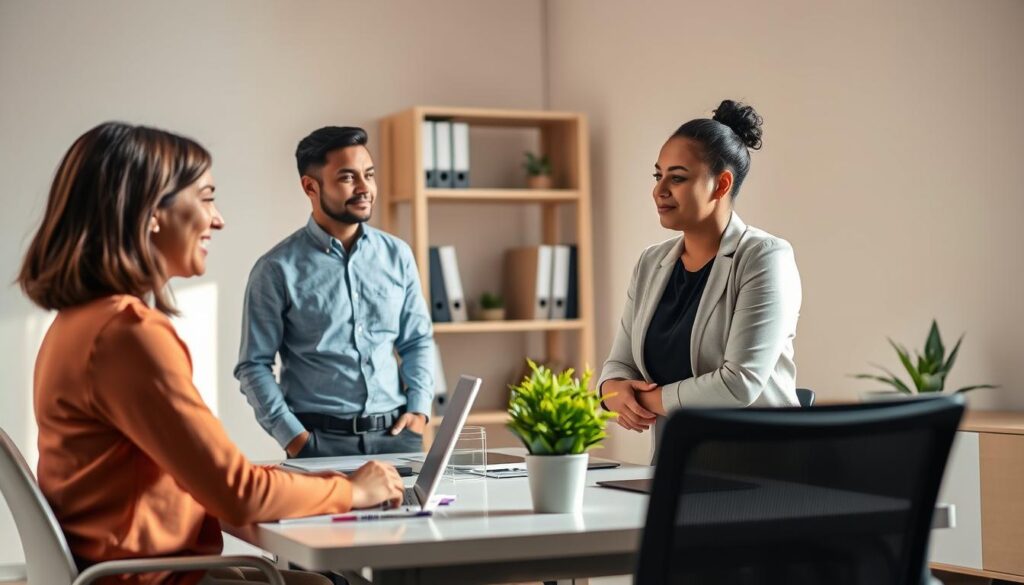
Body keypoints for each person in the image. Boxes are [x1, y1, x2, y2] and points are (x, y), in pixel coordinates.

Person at [18, 122, 403, 585]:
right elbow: (238, 495)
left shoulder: (78, 323)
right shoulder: (128, 335)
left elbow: (206, 477)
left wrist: (291, 483)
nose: (217, 218)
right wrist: (352, 491)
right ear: (151, 212)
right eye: (205, 198)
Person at [598, 100, 802, 448]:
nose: (659, 190)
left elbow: (739, 383)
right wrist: (610, 390)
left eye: (676, 178)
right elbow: (619, 364)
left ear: (721, 185)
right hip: (676, 465)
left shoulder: (764, 258)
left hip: (764, 469)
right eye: (658, 175)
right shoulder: (651, 262)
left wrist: (641, 400)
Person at [235, 126, 434, 459]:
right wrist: (295, 438)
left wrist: (419, 412)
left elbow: (417, 340)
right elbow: (253, 365)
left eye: (368, 175)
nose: (364, 188)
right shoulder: (276, 269)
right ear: (310, 187)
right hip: (319, 446)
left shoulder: (398, 255)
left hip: (398, 439)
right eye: (347, 178)